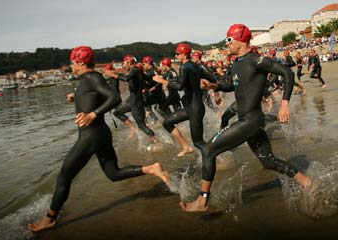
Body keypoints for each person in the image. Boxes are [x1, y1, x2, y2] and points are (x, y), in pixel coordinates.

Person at [27, 46, 170, 232]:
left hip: (90, 136)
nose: (71, 66)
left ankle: (50, 218)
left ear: (80, 62)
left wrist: (93, 114)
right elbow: (99, 96)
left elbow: (115, 97)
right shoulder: (87, 80)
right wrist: (76, 97)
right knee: (113, 174)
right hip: (99, 134)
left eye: (72, 62)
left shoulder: (91, 77)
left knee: (64, 176)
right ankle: (152, 168)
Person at [180, 24, 312, 212]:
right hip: (249, 121)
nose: (227, 44)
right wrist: (212, 86)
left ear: (240, 39)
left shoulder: (256, 60)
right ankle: (307, 182)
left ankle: (203, 201)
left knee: (208, 150)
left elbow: (287, 73)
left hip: (250, 120)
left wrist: (284, 103)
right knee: (268, 161)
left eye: (229, 40)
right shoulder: (237, 62)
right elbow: (230, 85)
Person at [153, 43, 205, 154]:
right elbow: (183, 80)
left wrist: (163, 81)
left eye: (177, 54)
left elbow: (180, 86)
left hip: (195, 108)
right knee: (167, 123)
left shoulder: (184, 66)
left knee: (198, 142)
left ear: (183, 54)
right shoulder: (193, 65)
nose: (175, 56)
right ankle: (186, 147)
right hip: (191, 106)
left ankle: (218, 158)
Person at [107, 55, 159, 142]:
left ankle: (157, 141)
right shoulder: (136, 70)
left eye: (124, 63)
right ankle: (133, 128)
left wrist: (114, 74)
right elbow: (148, 78)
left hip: (136, 102)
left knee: (142, 126)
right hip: (131, 100)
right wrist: (144, 87)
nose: (123, 65)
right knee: (117, 113)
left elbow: (126, 78)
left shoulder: (135, 70)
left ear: (128, 62)